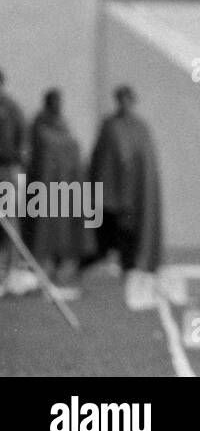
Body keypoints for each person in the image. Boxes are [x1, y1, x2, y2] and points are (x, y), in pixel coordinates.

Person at [81, 86, 164, 309]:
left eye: (128, 99)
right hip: (111, 193)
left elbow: (144, 164)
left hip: (132, 195)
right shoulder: (109, 126)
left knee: (129, 235)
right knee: (106, 234)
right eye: (120, 99)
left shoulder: (141, 128)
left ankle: (129, 270)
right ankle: (91, 265)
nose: (124, 103)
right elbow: (101, 158)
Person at [20, 89, 84, 297]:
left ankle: (58, 270)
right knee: (41, 231)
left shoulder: (62, 124)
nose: (58, 104)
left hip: (63, 188)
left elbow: (72, 149)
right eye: (54, 101)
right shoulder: (39, 125)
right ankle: (40, 271)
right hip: (42, 189)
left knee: (62, 233)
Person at [0, 69, 26, 288]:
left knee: (8, 221)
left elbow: (22, 143)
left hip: (5, 171)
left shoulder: (11, 108)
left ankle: (10, 271)